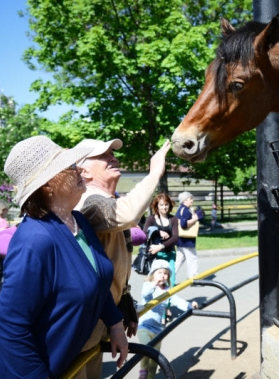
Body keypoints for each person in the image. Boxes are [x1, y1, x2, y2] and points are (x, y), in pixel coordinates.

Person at [0, 136, 128, 378]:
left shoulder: (78, 221)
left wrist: (115, 325)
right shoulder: (35, 240)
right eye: (71, 166)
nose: (80, 167)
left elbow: (97, 282)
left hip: (62, 363)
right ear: (48, 185)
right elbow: (10, 328)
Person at [73, 138, 171, 378]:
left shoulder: (108, 198)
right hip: (84, 318)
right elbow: (126, 213)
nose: (113, 158)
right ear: (82, 170)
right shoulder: (89, 201)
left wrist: (123, 297)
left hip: (103, 311)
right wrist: (154, 173)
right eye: (103, 155)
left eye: (112, 154)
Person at [137, 260, 198, 379]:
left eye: (165, 273)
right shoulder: (148, 286)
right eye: (159, 272)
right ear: (152, 274)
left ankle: (151, 377)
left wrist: (189, 305)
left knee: (155, 358)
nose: (162, 275)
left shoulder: (167, 291)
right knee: (145, 351)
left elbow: (177, 301)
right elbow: (145, 294)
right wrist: (154, 284)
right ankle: (143, 373)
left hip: (158, 330)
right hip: (144, 326)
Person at [143, 193, 179, 287]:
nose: (164, 207)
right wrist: (158, 232)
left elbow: (175, 237)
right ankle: (155, 301)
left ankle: (169, 301)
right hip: (155, 255)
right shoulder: (151, 219)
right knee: (155, 282)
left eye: (166, 204)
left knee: (171, 282)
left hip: (169, 254)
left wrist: (161, 246)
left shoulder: (173, 219)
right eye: (161, 205)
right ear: (157, 206)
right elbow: (145, 234)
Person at [175, 191, 204, 279]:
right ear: (185, 200)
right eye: (190, 199)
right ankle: (193, 278)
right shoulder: (186, 210)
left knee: (178, 261)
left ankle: (169, 277)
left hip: (180, 240)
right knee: (192, 259)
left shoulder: (180, 209)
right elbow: (184, 225)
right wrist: (195, 219)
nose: (192, 200)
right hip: (187, 240)